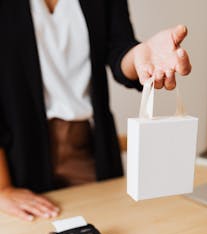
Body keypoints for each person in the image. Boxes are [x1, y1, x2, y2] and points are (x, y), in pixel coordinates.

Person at [0, 0, 191, 222]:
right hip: (15, 156)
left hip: (89, 146)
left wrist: (141, 55)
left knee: (109, 232)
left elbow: (120, 51)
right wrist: (3, 188)